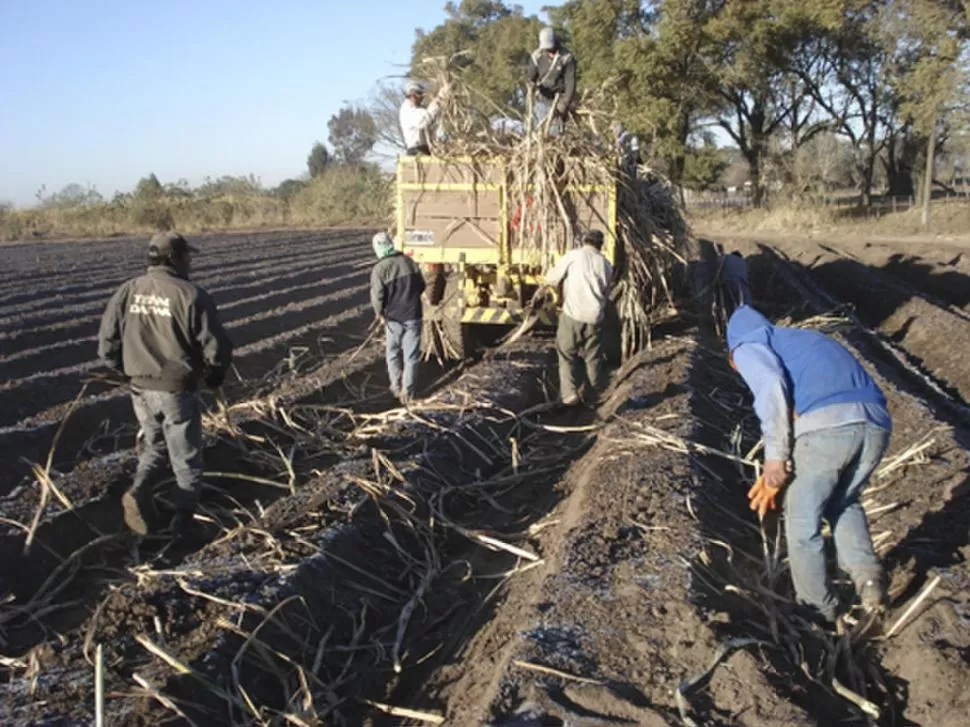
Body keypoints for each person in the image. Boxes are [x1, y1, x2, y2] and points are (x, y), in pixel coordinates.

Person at [727, 303, 891, 622]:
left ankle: (817, 611)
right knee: (843, 502)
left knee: (802, 522)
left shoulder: (747, 345)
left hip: (830, 429)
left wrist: (775, 458)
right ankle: (869, 584)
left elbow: (771, 387)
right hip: (876, 424)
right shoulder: (805, 341)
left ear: (732, 353)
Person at [98, 232, 233, 537]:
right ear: (175, 258)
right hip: (175, 389)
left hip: (139, 388)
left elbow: (107, 342)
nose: (190, 262)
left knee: (154, 444)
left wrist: (125, 370)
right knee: (186, 455)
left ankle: (139, 491)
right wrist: (214, 376)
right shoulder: (190, 294)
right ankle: (182, 521)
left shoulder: (128, 290)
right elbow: (217, 346)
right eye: (188, 256)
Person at [542, 230, 614, 406]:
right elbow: (606, 291)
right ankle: (591, 397)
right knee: (593, 358)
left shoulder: (574, 256)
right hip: (595, 317)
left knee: (566, 353)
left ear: (585, 242)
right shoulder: (606, 264)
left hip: (573, 315)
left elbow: (551, 278)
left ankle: (569, 394)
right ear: (600, 245)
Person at [370, 232, 426, 404]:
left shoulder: (379, 269)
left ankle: (395, 386)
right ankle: (408, 393)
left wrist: (379, 314)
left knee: (393, 352)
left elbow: (377, 296)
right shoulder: (410, 262)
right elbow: (422, 285)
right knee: (411, 356)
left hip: (393, 319)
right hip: (413, 316)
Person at [526, 27, 577, 133]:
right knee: (535, 130)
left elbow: (570, 82)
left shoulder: (566, 57)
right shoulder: (537, 56)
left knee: (554, 134)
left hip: (559, 102)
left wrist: (565, 103)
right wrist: (531, 85)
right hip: (542, 101)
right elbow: (530, 77)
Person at [399, 80, 448, 156]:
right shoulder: (408, 109)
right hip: (417, 151)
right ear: (413, 95)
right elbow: (424, 120)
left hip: (426, 149)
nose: (422, 96)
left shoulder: (419, 108)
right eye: (419, 93)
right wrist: (440, 98)